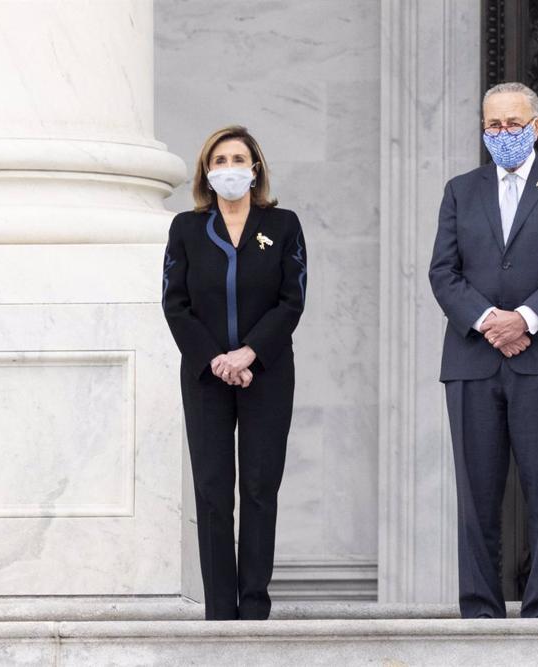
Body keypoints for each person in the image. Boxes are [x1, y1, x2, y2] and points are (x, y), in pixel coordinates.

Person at [429, 82, 538, 619]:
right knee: (475, 492)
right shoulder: (461, 189)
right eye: (493, 126)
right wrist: (488, 323)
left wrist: (523, 320)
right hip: (473, 362)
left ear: (537, 127)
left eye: (514, 125)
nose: (503, 134)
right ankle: (479, 607)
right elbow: (443, 271)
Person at [162, 125, 307, 620]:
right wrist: (217, 360)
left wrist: (248, 354)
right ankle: (221, 610)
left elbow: (292, 300)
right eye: (219, 160)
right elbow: (175, 304)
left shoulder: (283, 224)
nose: (229, 168)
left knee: (261, 487)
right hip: (206, 377)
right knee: (212, 491)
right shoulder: (185, 227)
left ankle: (255, 606)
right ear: (207, 170)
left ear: (255, 168)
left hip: (267, 372)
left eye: (238, 158)